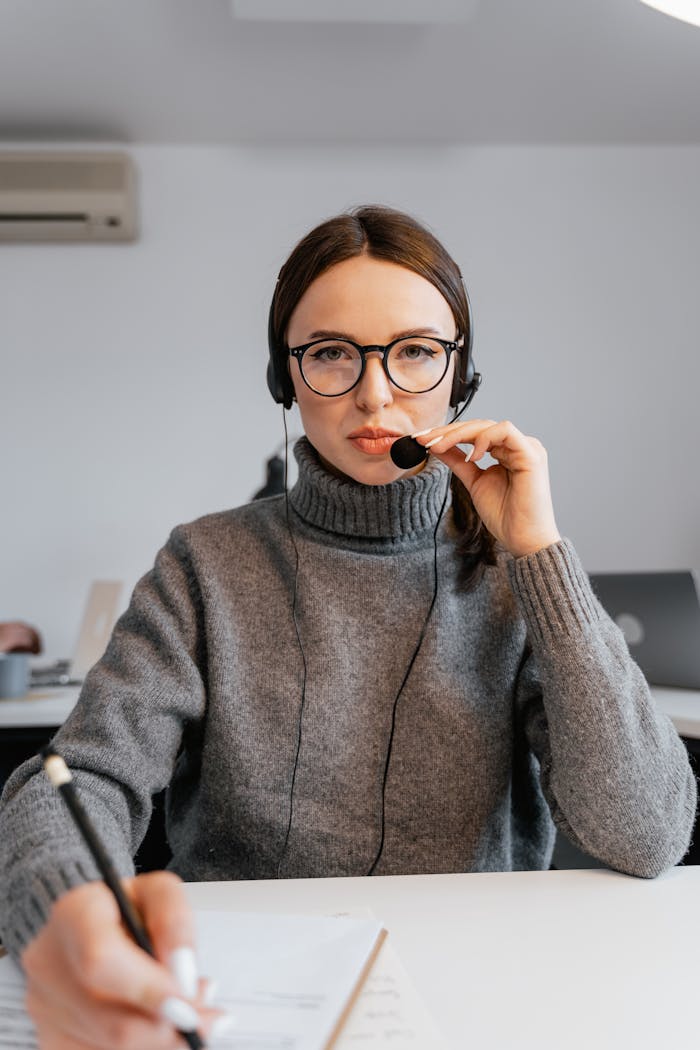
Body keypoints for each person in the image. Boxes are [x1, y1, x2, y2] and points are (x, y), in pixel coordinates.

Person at [0, 205, 695, 1049]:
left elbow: (648, 833)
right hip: (236, 996)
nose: (374, 393)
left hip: (477, 991)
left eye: (413, 353)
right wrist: (69, 906)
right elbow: (77, 783)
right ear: (284, 379)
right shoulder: (204, 564)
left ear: (460, 375)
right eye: (331, 354)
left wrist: (539, 555)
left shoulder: (515, 577)